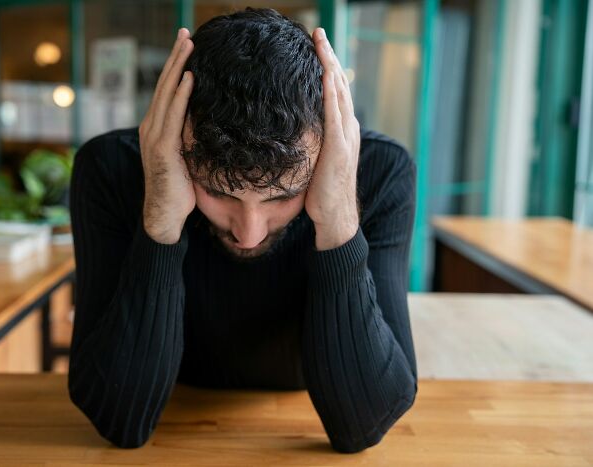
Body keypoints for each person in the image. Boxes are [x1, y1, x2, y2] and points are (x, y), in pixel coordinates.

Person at [68, 7, 417, 454]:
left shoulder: (381, 170)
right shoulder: (111, 170)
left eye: (279, 197)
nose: (249, 234)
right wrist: (160, 217)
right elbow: (118, 421)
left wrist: (338, 222)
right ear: (176, 142)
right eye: (219, 192)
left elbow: (364, 425)